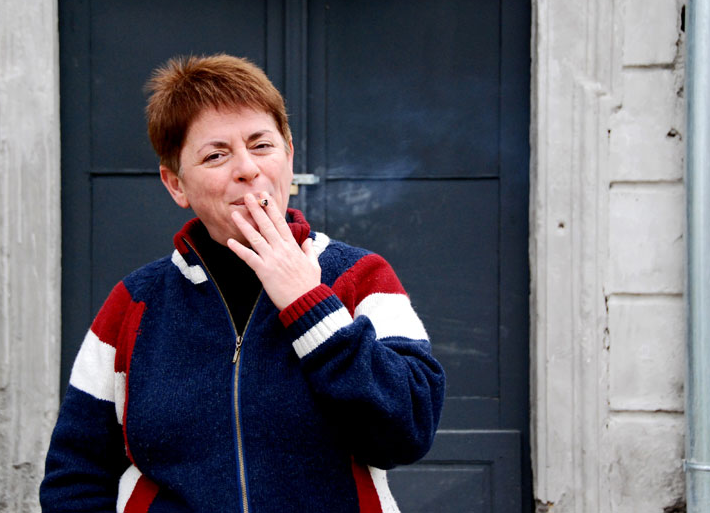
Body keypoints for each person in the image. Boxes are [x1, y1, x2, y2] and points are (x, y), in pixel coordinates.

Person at [40, 54, 445, 513]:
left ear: (288, 155)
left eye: (261, 145)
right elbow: (75, 475)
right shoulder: (135, 303)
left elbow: (408, 431)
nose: (247, 169)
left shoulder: (360, 277)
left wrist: (310, 304)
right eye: (216, 155)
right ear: (176, 184)